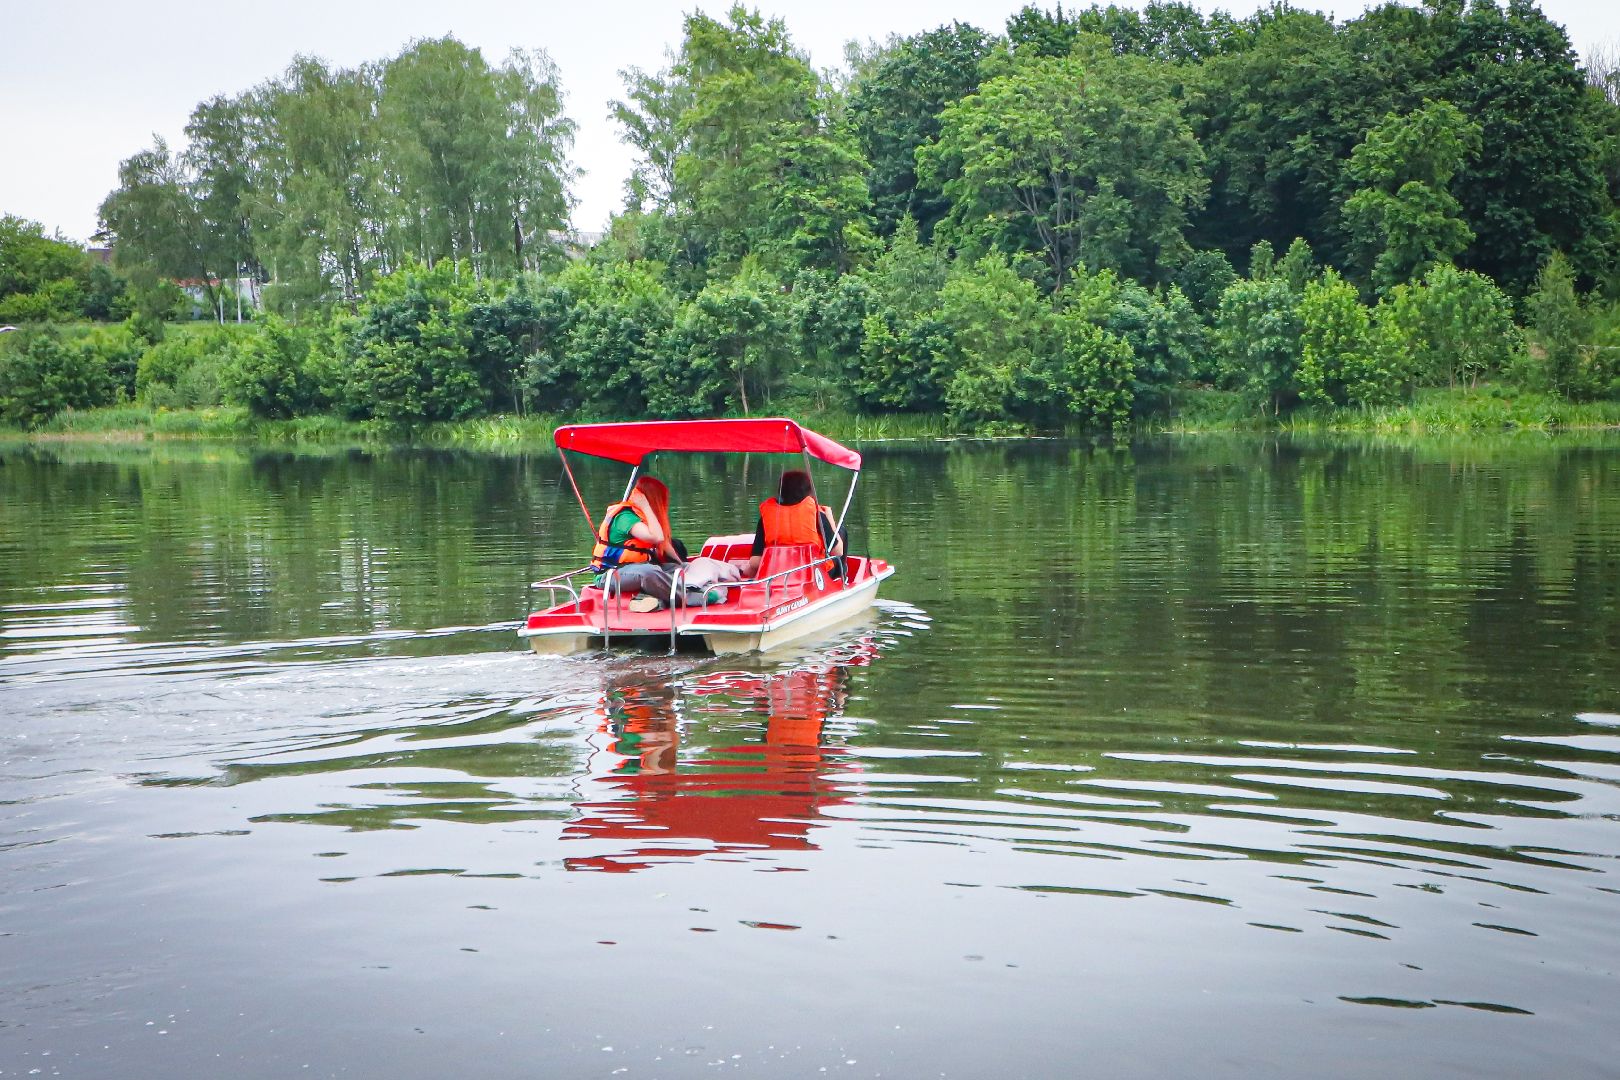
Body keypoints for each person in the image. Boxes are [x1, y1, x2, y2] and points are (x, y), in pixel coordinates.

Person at [592, 476, 684, 612]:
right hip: (610, 574)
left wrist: (681, 564)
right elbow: (656, 537)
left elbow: (663, 542)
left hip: (633, 569)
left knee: (675, 569)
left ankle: (650, 600)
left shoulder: (641, 516)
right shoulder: (625, 517)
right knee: (650, 572)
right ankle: (690, 598)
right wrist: (646, 507)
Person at [744, 469, 846, 579]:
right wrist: (830, 518)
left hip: (778, 574)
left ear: (781, 491)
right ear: (808, 492)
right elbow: (838, 551)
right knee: (841, 531)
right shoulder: (816, 515)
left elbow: (755, 562)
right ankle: (841, 579)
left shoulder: (766, 518)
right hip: (813, 574)